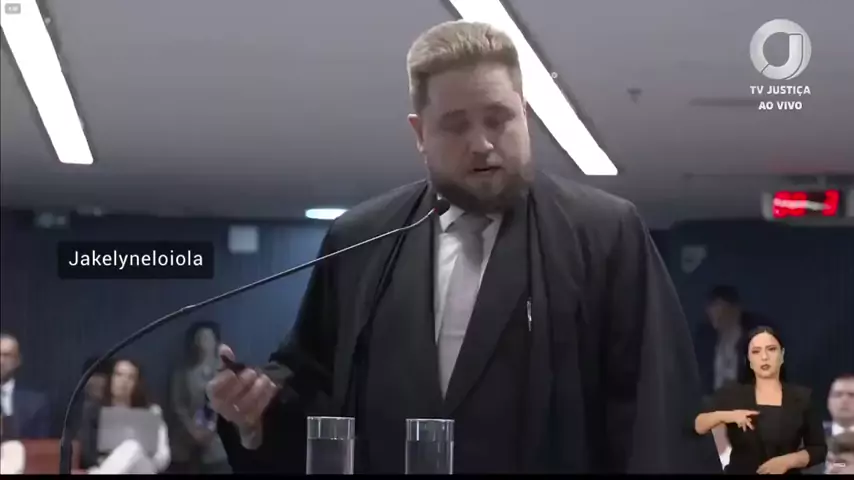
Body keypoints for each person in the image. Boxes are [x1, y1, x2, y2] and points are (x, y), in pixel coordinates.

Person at [207, 20, 719, 474]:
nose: (482, 143)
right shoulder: (362, 241)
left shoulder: (603, 235)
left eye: (498, 118)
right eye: (455, 125)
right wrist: (255, 412)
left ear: (525, 115)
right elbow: (314, 392)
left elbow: (655, 416)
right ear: (420, 133)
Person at [693, 326, 826, 474]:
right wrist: (730, 415)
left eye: (771, 349)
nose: (764, 357)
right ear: (749, 360)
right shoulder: (733, 394)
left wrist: (788, 461)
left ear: (782, 355)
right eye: (756, 352)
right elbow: (699, 424)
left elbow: (818, 449)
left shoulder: (802, 397)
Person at [78, 358, 171, 474]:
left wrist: (138, 456)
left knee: (132, 446)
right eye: (119, 375)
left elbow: (163, 456)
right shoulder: (94, 412)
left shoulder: (152, 411)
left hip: (143, 468)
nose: (124, 381)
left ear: (138, 383)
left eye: (131, 377)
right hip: (106, 465)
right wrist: (116, 460)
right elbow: (87, 453)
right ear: (110, 378)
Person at [169, 321, 230, 474]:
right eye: (201, 338)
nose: (204, 342)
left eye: (208, 337)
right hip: (187, 440)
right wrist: (192, 430)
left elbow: (227, 403)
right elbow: (178, 405)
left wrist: (211, 428)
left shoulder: (225, 372)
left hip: (218, 442)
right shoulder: (183, 372)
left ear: (216, 341)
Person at [693, 286, 773, 394]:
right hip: (713, 402)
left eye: (719, 306)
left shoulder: (755, 342)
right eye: (712, 307)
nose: (714, 313)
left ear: (735, 309)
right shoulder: (705, 342)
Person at [0, 333, 51, 439]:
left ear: (17, 361)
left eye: (6, 355)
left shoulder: (36, 403)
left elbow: (41, 445)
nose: (1, 361)